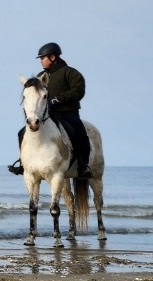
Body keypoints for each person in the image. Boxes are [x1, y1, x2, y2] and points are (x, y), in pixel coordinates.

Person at [8, 43, 92, 179]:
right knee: (21, 133)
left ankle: (83, 166)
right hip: (49, 115)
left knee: (80, 134)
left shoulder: (71, 73)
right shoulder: (41, 76)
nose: (41, 61)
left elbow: (79, 91)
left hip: (68, 113)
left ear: (52, 57)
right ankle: (23, 164)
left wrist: (58, 99)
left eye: (43, 58)